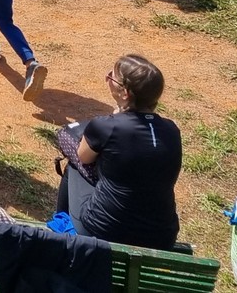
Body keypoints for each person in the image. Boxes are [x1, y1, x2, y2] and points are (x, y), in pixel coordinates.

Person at [57, 55, 181, 250]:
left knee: (75, 161)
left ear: (125, 94)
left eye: (111, 77)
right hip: (162, 238)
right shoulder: (172, 130)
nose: (107, 79)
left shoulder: (106, 126)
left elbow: (83, 157)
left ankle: (59, 235)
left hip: (103, 231)